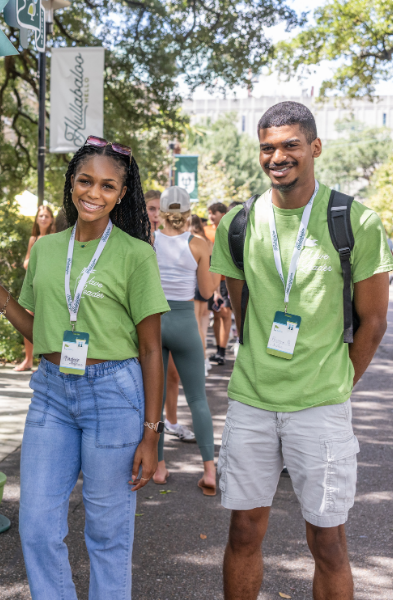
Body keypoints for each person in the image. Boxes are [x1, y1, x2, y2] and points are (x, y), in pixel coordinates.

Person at [211, 101, 392, 599]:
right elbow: (243, 309)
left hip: (321, 408)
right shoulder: (238, 223)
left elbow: (373, 322)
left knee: (327, 541)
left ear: (314, 147)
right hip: (252, 401)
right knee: (243, 531)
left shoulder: (356, 220)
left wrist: (333, 381)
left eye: (291, 145)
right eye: (267, 147)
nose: (278, 157)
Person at [0, 135, 168, 599]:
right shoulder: (45, 248)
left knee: (107, 535)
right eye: (85, 181)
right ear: (72, 184)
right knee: (38, 527)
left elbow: (150, 349)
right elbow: (35, 325)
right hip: (52, 393)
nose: (93, 193)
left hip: (114, 394)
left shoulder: (136, 254)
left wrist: (151, 432)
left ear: (121, 194)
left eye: (107, 186)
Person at [152, 187, 218, 494]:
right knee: (197, 400)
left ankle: (160, 467)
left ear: (162, 213)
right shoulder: (200, 244)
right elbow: (206, 293)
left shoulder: (148, 242)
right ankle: (209, 471)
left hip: (154, 323)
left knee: (155, 399)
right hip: (184, 322)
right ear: (189, 213)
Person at [146, 189, 191, 442]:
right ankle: (150, 431)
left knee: (171, 374)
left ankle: (171, 422)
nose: (154, 214)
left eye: (157, 209)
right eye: (150, 209)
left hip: (172, 315)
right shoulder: (139, 238)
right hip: (145, 316)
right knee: (148, 377)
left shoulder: (174, 238)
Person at [15, 205, 56, 371]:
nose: (44, 218)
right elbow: (26, 262)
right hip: (33, 286)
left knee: (46, 322)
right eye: (41, 216)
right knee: (27, 319)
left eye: (47, 216)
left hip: (49, 287)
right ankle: (28, 359)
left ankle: (46, 361)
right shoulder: (34, 239)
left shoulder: (55, 238)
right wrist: (31, 264)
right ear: (37, 219)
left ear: (52, 219)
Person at [207, 201, 232, 365]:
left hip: (226, 279)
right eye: (209, 213)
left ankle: (223, 350)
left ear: (222, 214)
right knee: (217, 315)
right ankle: (218, 350)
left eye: (213, 213)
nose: (210, 216)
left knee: (225, 314)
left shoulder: (230, 229)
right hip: (211, 279)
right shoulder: (206, 231)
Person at [188, 214, 214, 360]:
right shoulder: (208, 241)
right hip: (208, 281)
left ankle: (201, 360)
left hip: (196, 282)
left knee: (196, 324)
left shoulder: (192, 241)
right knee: (203, 325)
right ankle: (204, 360)